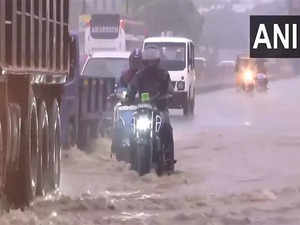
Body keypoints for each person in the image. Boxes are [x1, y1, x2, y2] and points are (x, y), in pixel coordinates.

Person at [127, 47, 175, 170]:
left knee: (167, 128)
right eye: (148, 62)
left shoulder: (163, 74)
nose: (150, 64)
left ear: (157, 61)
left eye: (153, 61)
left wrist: (168, 95)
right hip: (144, 109)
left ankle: (169, 160)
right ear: (144, 62)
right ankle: (131, 159)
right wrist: (128, 97)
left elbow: (169, 88)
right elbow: (132, 88)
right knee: (131, 129)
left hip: (160, 108)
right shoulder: (139, 75)